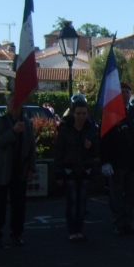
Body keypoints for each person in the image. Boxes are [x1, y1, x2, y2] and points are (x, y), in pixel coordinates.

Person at [0, 93, 37, 247]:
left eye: (18, 102)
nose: (15, 105)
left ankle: (17, 234)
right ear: (6, 103)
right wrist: (13, 131)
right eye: (12, 101)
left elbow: (31, 148)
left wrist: (31, 168)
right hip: (2, 171)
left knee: (19, 206)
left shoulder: (27, 123)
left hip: (20, 170)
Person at [54, 94, 99, 242]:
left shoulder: (91, 130)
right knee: (72, 201)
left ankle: (79, 230)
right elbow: (58, 153)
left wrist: (90, 146)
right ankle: (72, 231)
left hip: (85, 169)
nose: (81, 116)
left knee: (82, 202)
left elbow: (96, 152)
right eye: (78, 113)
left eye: (84, 113)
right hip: (69, 170)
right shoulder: (65, 129)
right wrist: (58, 173)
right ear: (73, 113)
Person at [100, 90, 134, 235]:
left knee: (130, 196)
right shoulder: (111, 113)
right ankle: (119, 223)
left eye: (128, 93)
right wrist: (105, 161)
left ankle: (128, 223)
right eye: (123, 93)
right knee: (116, 196)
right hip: (117, 162)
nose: (125, 95)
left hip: (133, 161)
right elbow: (104, 139)